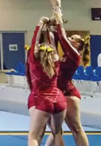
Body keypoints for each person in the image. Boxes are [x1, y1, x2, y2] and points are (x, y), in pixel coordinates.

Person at [43, 22, 89, 146]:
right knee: (55, 130)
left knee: (76, 128)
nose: (69, 38)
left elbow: (62, 37)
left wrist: (59, 21)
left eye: (73, 38)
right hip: (57, 93)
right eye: (70, 37)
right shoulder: (65, 55)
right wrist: (49, 27)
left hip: (68, 93)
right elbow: (57, 38)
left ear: (78, 44)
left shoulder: (75, 56)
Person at [26, 16, 67, 146]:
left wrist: (40, 24)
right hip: (59, 99)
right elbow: (53, 44)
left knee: (33, 136)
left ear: (38, 52)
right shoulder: (55, 59)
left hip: (43, 100)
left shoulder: (34, 61)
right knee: (57, 133)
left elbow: (34, 42)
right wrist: (49, 28)